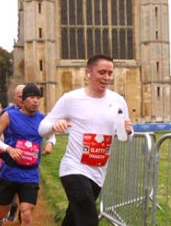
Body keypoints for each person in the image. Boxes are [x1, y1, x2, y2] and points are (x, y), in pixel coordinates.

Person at [39, 54, 133, 226]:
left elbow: (125, 136)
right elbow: (42, 127)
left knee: (74, 220)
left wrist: (128, 132)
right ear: (88, 73)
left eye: (110, 73)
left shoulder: (118, 101)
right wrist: (55, 126)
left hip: (98, 173)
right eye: (102, 72)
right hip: (73, 168)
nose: (106, 78)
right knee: (89, 220)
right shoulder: (71, 99)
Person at [0, 84, 47, 226]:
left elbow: (51, 135)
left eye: (38, 98)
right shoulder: (9, 115)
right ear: (23, 99)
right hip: (9, 172)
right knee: (2, 211)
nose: (35, 101)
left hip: (30, 173)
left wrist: (51, 143)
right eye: (32, 97)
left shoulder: (43, 119)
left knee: (26, 212)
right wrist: (9, 149)